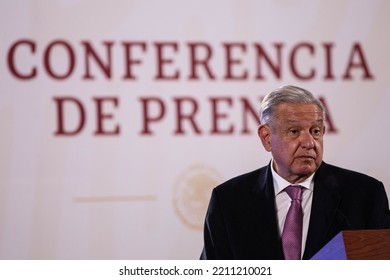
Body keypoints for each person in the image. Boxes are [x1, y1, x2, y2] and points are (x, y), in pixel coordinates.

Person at [200, 85, 390, 260]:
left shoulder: (365, 195)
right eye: (294, 131)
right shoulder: (229, 201)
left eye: (315, 131)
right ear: (267, 138)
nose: (309, 143)